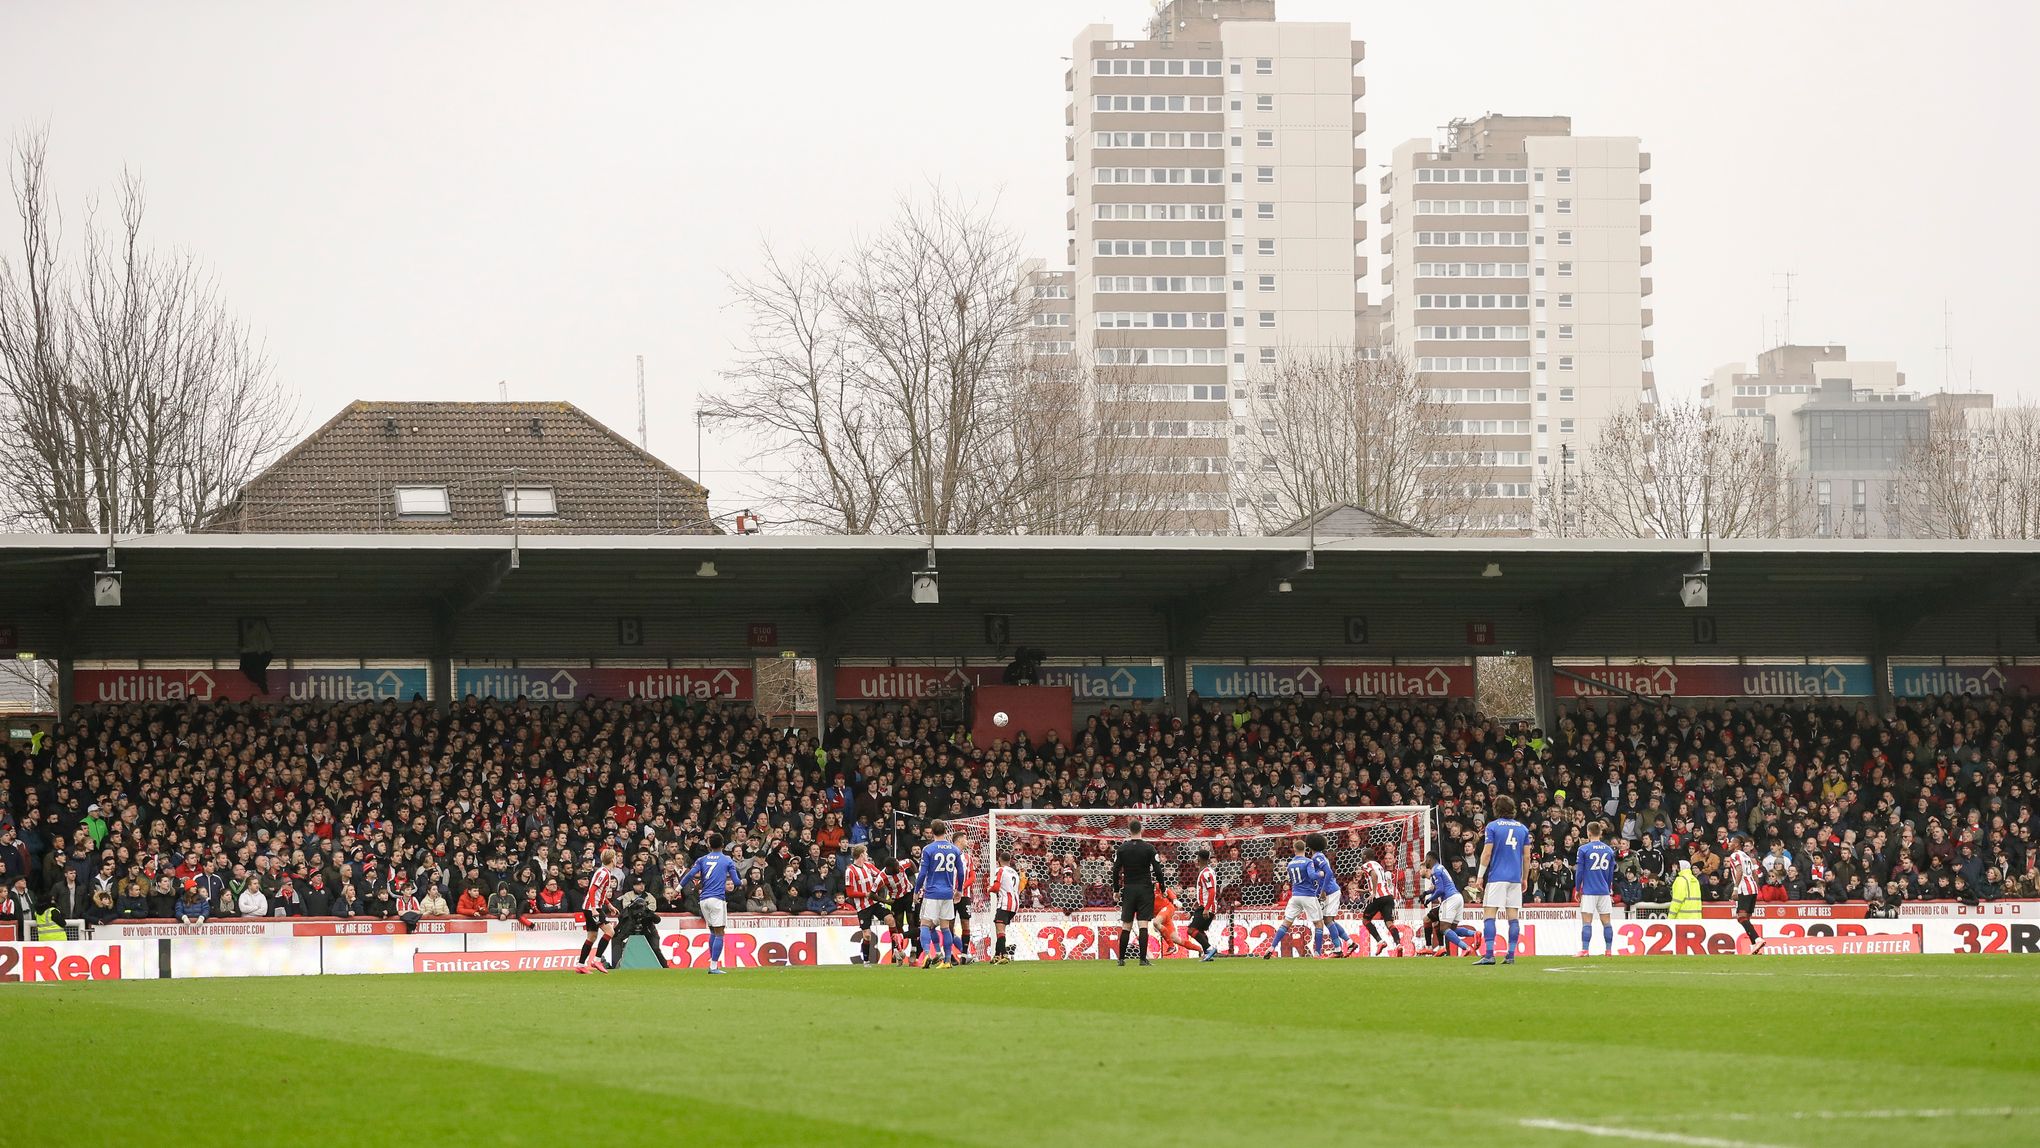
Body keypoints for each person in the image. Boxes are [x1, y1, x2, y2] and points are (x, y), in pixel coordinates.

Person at [1473, 794, 1530, 966]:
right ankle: (1510, 955)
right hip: (1515, 879)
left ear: (1497, 809)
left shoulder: (1493, 827)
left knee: (1489, 914)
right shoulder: (1522, 829)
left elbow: (1487, 853)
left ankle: (1489, 955)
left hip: (1497, 877)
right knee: (1513, 917)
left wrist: (1480, 876)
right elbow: (1526, 857)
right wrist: (1524, 878)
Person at [681, 834, 741, 974]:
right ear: (723, 844)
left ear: (709, 845)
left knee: (713, 931)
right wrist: (741, 883)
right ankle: (713, 966)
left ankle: (713, 965)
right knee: (720, 932)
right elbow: (736, 882)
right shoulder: (727, 860)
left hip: (703, 900)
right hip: (717, 900)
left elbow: (690, 875)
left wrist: (678, 888)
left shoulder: (702, 859)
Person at [1110, 820, 1166, 967]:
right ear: (1141, 829)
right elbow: (1158, 870)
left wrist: (1116, 889)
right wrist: (1164, 888)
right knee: (1143, 925)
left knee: (1126, 925)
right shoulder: (1149, 848)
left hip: (1128, 889)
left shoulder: (1122, 849)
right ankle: (1142, 959)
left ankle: (1121, 959)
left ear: (1129, 830)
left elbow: (1115, 870)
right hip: (1145, 889)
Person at [911, 820, 965, 969]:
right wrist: (959, 890)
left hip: (932, 893)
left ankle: (928, 953)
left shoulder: (928, 849)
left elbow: (922, 873)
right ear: (945, 831)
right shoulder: (954, 849)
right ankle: (947, 960)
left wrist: (916, 891)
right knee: (945, 927)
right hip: (948, 893)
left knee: (924, 924)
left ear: (932, 832)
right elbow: (961, 872)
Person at [1263, 838, 1323, 960]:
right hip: (1308, 896)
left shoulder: (1290, 864)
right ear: (1305, 849)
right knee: (1319, 924)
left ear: (1294, 850)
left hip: (1295, 896)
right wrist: (1320, 874)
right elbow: (1312, 876)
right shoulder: (1308, 862)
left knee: (1286, 923)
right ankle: (1317, 953)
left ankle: (1272, 947)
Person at [1420, 849, 1478, 956]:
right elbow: (1437, 887)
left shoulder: (1436, 870)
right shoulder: (1440, 868)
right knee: (1452, 929)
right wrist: (1426, 893)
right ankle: (1474, 934)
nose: (1425, 863)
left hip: (1449, 899)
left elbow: (1441, 890)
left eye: (1426, 860)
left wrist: (1429, 899)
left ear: (1430, 859)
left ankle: (1465, 947)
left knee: (1443, 928)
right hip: (1457, 898)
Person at [1575, 820, 1618, 957]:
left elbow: (1579, 871)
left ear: (1588, 833)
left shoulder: (1584, 849)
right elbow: (1611, 873)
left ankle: (1585, 950)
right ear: (1600, 833)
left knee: (1587, 921)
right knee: (1607, 922)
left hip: (1589, 891)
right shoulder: (1609, 850)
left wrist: (1577, 889)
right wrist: (1608, 887)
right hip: (1604, 891)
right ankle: (1608, 950)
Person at [577, 848, 623, 974]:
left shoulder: (604, 872)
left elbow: (599, 892)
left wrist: (609, 905)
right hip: (593, 908)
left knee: (591, 937)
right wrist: (593, 908)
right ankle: (597, 960)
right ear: (612, 859)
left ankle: (580, 964)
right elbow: (592, 890)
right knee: (610, 931)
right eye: (616, 857)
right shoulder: (604, 873)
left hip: (591, 906)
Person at [843, 843, 890, 966]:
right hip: (862, 906)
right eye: (866, 853)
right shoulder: (850, 871)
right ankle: (866, 960)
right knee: (867, 935)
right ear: (861, 855)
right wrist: (865, 894)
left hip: (874, 902)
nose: (867, 855)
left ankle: (897, 951)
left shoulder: (869, 866)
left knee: (890, 919)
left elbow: (881, 877)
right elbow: (849, 892)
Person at [1308, 834, 1354, 958]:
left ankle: (1338, 950)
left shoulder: (1317, 857)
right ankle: (1350, 943)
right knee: (1329, 920)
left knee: (1327, 920)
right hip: (1330, 891)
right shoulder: (1319, 856)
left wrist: (1323, 891)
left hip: (1330, 891)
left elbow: (1329, 872)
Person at [614, 875, 669, 968]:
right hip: (631, 925)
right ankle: (615, 965)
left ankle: (664, 966)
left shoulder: (649, 896)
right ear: (634, 886)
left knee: (655, 948)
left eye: (642, 884)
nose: (641, 886)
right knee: (618, 943)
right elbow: (626, 909)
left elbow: (652, 909)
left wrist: (642, 909)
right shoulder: (628, 895)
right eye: (638, 884)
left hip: (647, 926)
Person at [1725, 834, 1767, 954]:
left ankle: (1757, 939)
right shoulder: (1747, 856)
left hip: (1744, 889)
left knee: (1741, 917)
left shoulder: (1734, 855)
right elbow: (1755, 873)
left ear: (1737, 844)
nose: (1729, 844)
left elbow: (1739, 871)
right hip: (1752, 888)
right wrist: (1756, 887)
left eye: (1731, 842)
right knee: (1745, 918)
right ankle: (1755, 946)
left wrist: (1735, 888)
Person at [1357, 845, 1398, 957]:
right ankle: (1399, 945)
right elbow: (1380, 881)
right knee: (1389, 923)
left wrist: (1373, 893)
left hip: (1378, 897)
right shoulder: (1379, 865)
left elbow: (1374, 875)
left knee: (1366, 920)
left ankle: (1380, 942)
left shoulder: (1366, 865)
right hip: (1388, 897)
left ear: (1365, 856)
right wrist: (1366, 891)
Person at [949, 827, 977, 964]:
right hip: (949, 896)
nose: (967, 841)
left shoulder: (968, 858)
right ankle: (950, 956)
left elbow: (972, 877)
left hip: (964, 896)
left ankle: (965, 954)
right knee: (949, 925)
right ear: (959, 840)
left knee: (966, 923)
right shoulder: (949, 856)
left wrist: (961, 888)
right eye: (965, 838)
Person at [989, 854, 1024, 963]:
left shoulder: (1000, 870)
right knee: (1000, 928)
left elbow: (996, 887)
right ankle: (996, 955)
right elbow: (1019, 889)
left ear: (999, 859)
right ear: (1010, 861)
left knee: (1000, 930)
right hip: (1015, 904)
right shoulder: (1015, 873)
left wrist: (988, 889)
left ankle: (1004, 954)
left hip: (1005, 903)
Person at [1187, 847, 1219, 962]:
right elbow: (1207, 890)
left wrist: (1206, 908)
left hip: (1207, 907)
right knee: (1199, 931)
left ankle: (1209, 949)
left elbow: (1212, 891)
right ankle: (1208, 954)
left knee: (1191, 930)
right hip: (1204, 905)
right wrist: (1198, 901)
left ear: (1199, 859)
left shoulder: (1206, 873)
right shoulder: (1207, 871)